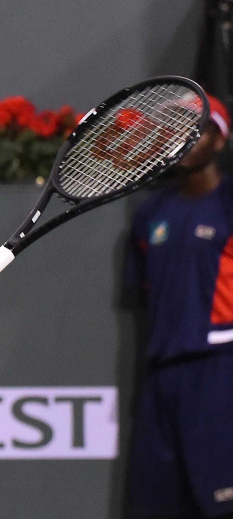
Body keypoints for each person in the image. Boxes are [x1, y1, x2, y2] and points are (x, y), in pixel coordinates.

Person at [123, 93, 233, 518]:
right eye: (177, 127)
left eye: (200, 128)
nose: (186, 138)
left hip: (220, 368)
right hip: (161, 374)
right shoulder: (150, 213)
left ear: (220, 142)